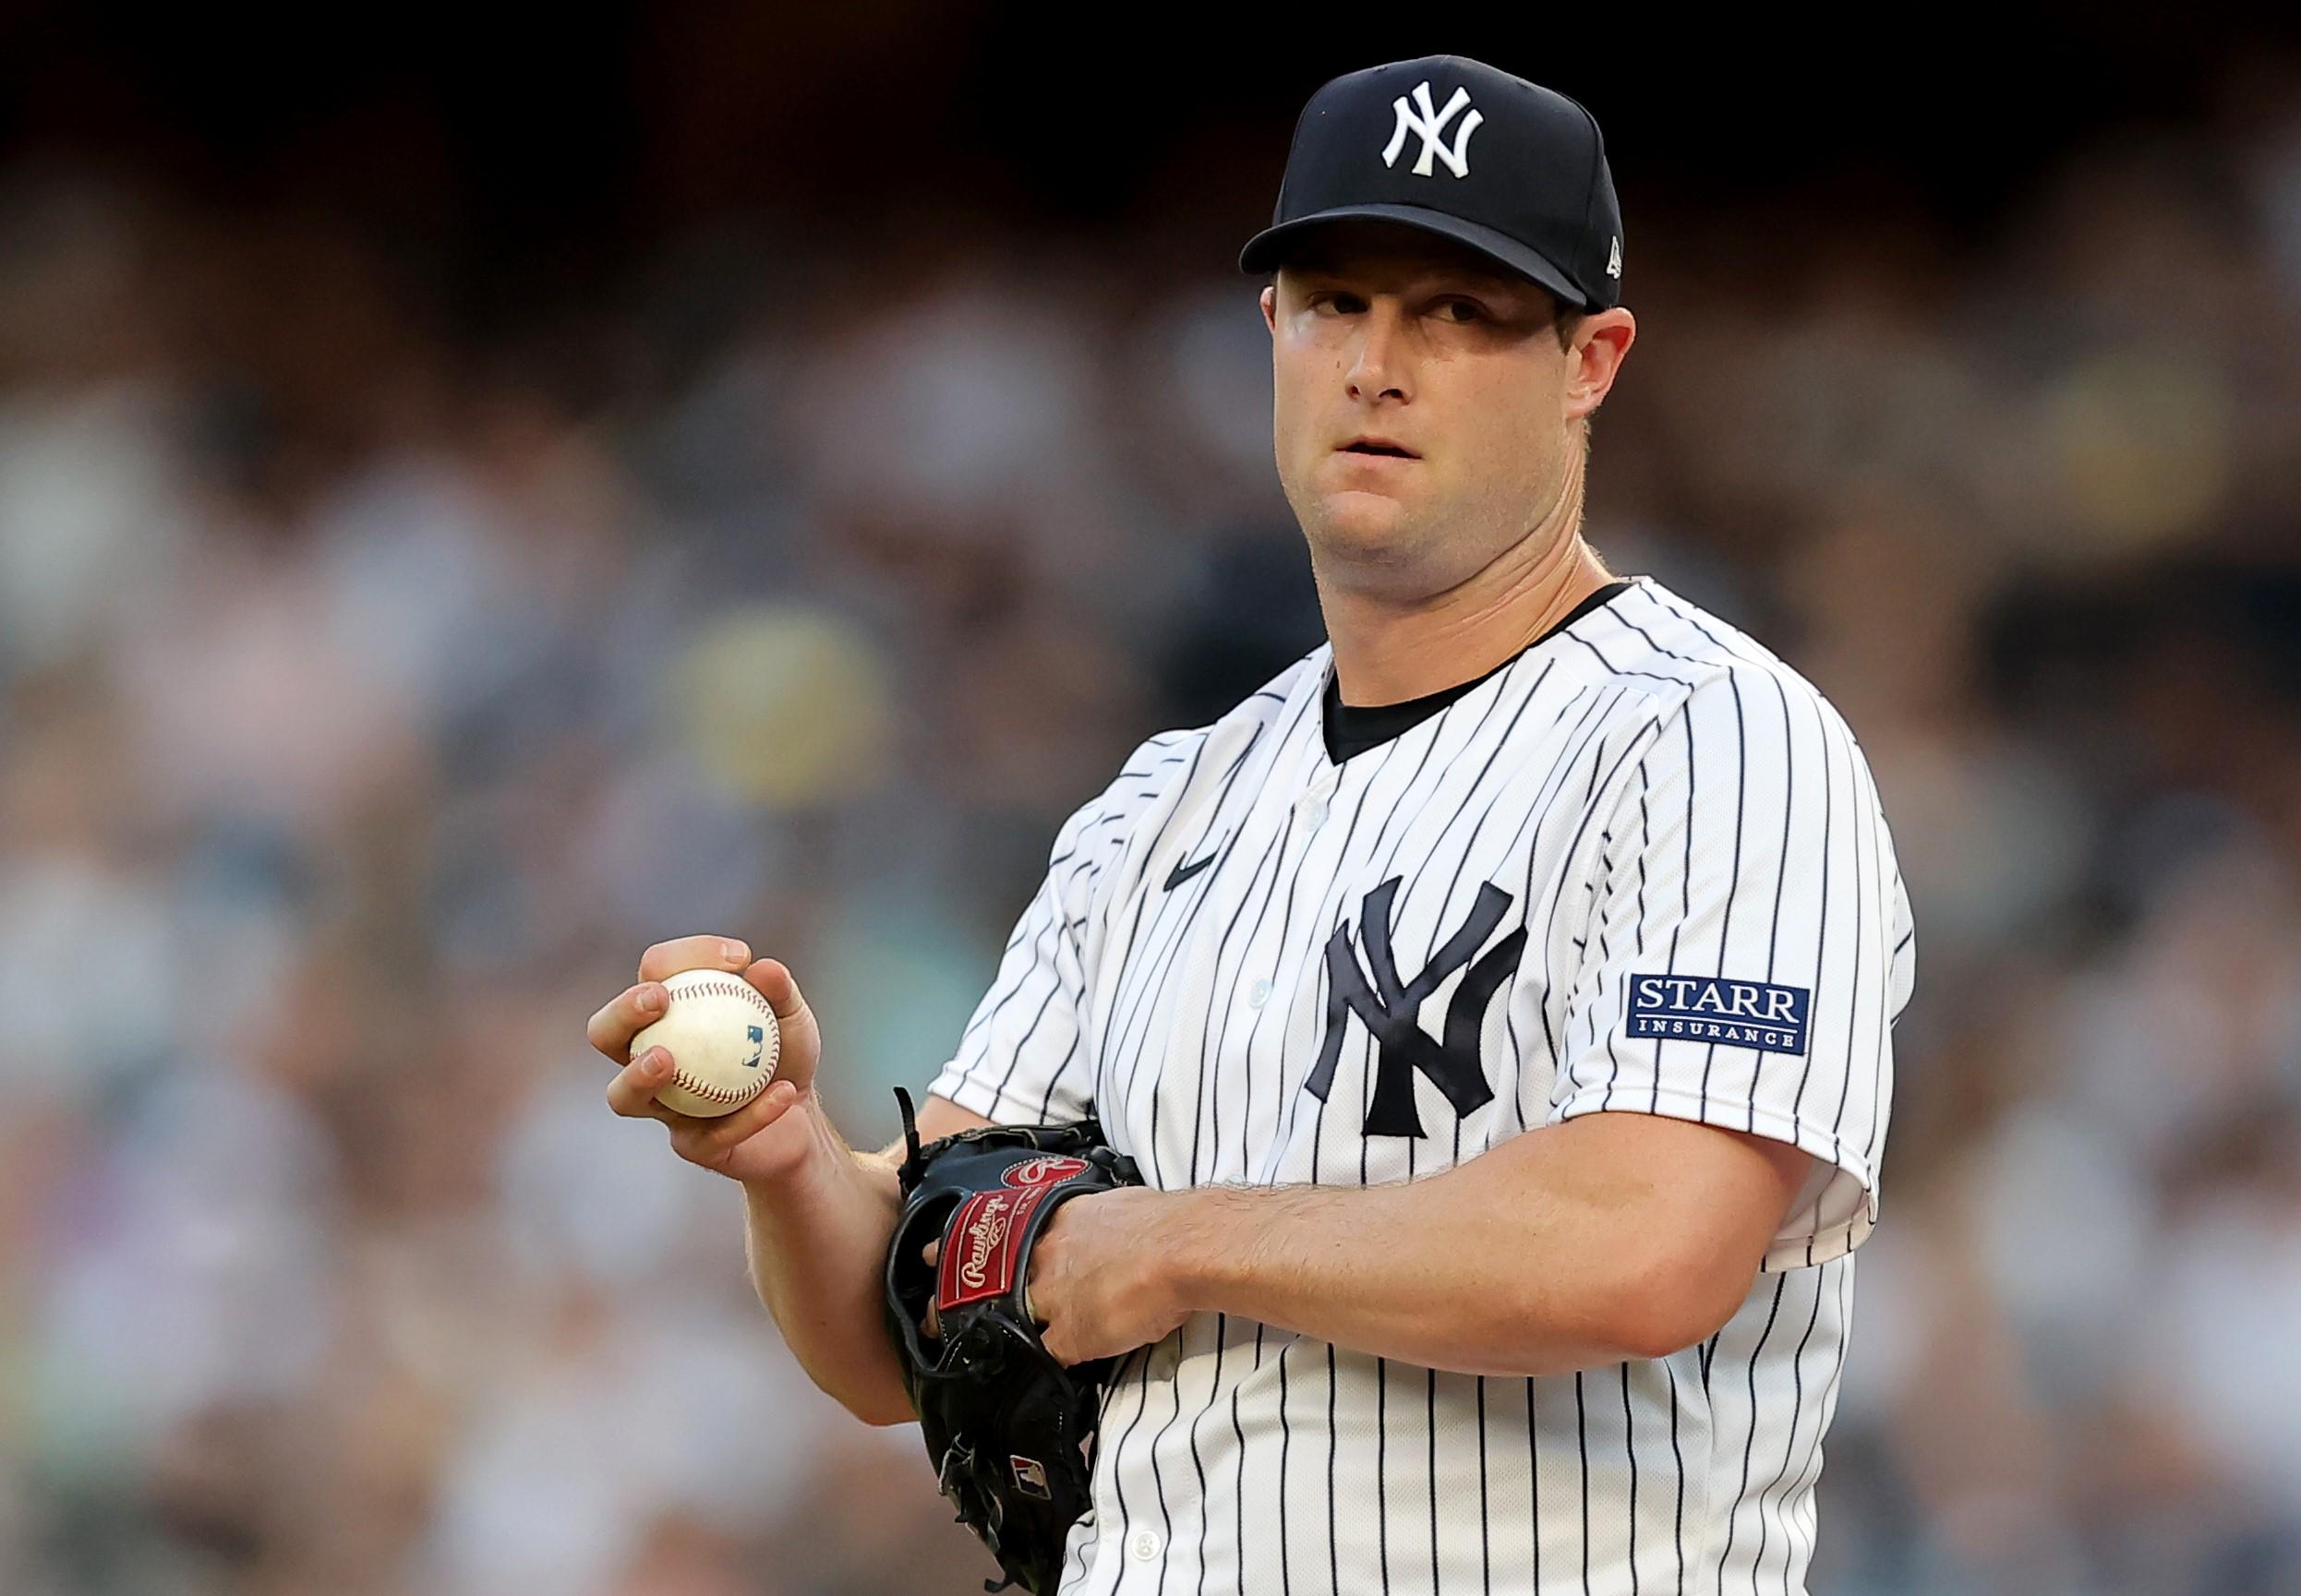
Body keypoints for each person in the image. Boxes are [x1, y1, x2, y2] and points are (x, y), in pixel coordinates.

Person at [584, 54, 1914, 1595]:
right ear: (1272, 331)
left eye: (1459, 313)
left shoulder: (1713, 737)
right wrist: (790, 1158)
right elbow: (913, 1330)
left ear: (1589, 360)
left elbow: (1644, 1246)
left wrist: (1175, 1243)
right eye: (1335, 301)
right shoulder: (1166, 800)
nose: (1378, 362)